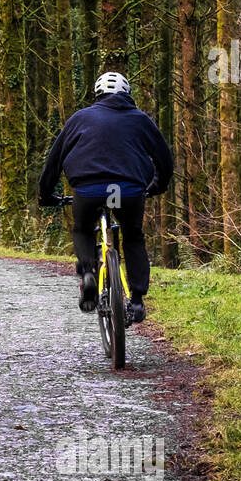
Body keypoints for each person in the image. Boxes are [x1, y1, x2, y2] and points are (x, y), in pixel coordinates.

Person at [37, 71, 174, 322]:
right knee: (132, 235)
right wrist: (157, 185)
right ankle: (137, 300)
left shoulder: (80, 118)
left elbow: (53, 161)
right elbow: (165, 159)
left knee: (82, 230)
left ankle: (88, 272)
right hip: (128, 191)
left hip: (89, 189)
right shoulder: (141, 120)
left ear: (97, 95)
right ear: (127, 94)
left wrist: (45, 195)